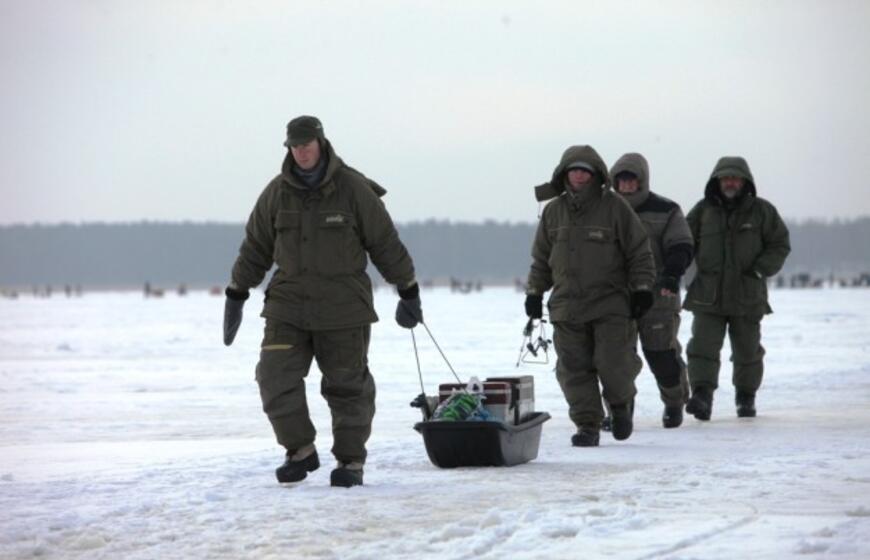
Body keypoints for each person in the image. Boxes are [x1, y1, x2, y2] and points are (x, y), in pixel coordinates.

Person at [223, 115, 422, 487]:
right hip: (288, 305)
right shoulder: (275, 193)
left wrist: (407, 288)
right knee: (273, 376)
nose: (301, 153)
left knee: (348, 388)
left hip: (343, 308)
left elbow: (384, 243)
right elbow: (255, 248)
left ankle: (350, 462)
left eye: (307, 145)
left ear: (321, 144)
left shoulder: (352, 190)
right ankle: (299, 449)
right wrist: (237, 292)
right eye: (294, 147)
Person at [525, 145, 656, 447]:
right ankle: (587, 425)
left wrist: (642, 290)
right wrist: (534, 292)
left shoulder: (615, 207)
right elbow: (541, 259)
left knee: (613, 363)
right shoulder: (553, 211)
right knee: (573, 370)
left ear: (596, 174)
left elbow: (640, 252)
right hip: (566, 307)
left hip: (610, 304)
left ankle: (621, 405)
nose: (579, 175)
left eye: (585, 170)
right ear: (564, 174)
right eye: (574, 170)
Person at [683, 156, 790, 420]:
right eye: (725, 178)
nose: (730, 182)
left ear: (745, 181)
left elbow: (779, 244)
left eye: (735, 178)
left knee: (747, 351)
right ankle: (702, 396)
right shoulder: (702, 211)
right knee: (702, 348)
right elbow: (682, 242)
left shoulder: (763, 212)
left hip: (747, 295)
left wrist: (759, 269)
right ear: (717, 181)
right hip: (709, 295)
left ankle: (746, 398)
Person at [609, 153, 694, 428]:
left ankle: (674, 401)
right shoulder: (603, 208)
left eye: (632, 180)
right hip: (614, 296)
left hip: (658, 295)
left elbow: (681, 244)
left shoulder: (665, 210)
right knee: (615, 359)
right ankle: (620, 411)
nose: (626, 185)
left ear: (642, 181)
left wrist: (672, 275)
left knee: (661, 355)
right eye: (621, 180)